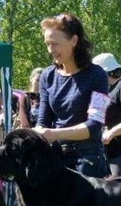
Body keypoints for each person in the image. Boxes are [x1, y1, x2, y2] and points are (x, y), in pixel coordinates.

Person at [35, 13, 108, 178]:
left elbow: (94, 126)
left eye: (55, 44)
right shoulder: (47, 76)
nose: (50, 50)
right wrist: (39, 132)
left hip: (88, 160)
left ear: (74, 41)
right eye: (47, 44)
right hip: (56, 158)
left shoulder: (97, 75)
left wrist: (55, 134)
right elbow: (43, 122)